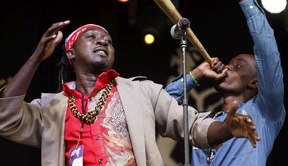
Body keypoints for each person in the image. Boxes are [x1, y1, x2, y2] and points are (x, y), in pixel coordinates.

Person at [0, 19, 260, 166]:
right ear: (70, 53)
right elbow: (6, 118)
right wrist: (37, 57)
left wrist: (227, 128)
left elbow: (193, 127)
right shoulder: (53, 107)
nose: (103, 41)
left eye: (108, 41)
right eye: (91, 37)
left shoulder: (140, 92)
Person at [165, 0, 286, 166]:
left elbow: (268, 53)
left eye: (239, 65)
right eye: (230, 63)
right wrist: (196, 76)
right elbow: (158, 106)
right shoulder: (203, 123)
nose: (228, 66)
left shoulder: (265, 111)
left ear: (255, 82)